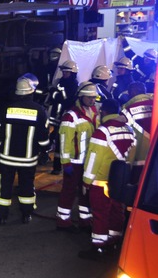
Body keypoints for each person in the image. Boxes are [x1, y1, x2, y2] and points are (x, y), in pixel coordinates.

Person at [79, 99, 136, 261]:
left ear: (104, 112)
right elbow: (131, 155)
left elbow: (93, 159)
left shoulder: (102, 132)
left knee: (100, 214)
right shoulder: (129, 129)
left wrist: (86, 181)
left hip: (100, 182)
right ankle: (114, 242)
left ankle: (98, 247)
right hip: (120, 182)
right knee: (117, 212)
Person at [0, 77, 50, 224]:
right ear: (31, 93)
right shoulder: (40, 111)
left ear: (17, 93)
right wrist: (45, 152)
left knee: (4, 188)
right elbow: (43, 137)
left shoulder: (6, 110)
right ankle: (26, 214)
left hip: (7, 158)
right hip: (28, 159)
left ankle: (1, 215)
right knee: (27, 187)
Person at [55, 82, 99, 232]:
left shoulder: (94, 112)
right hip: (74, 162)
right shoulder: (71, 116)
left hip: (88, 161)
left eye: (94, 98)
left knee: (85, 192)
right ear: (81, 97)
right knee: (69, 191)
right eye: (89, 98)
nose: (92, 100)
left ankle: (85, 220)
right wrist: (65, 162)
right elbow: (64, 141)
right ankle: (63, 220)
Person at [47, 59, 79, 174]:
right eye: (63, 72)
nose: (64, 74)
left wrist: (54, 92)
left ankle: (58, 167)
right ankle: (53, 163)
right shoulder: (61, 82)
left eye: (66, 72)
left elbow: (65, 99)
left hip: (65, 117)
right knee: (54, 137)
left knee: (61, 140)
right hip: (56, 115)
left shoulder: (73, 85)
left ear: (72, 73)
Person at [121, 82, 153, 181]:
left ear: (131, 93)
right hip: (154, 157)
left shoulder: (127, 111)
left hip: (138, 161)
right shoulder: (155, 105)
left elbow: (125, 139)